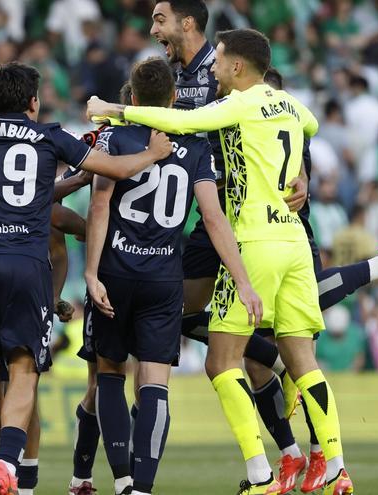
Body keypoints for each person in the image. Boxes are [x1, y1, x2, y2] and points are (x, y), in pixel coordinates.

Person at [88, 29, 354, 495]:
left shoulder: (242, 102)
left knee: (220, 361)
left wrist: (115, 110)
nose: (210, 68)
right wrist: (300, 173)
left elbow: (184, 125)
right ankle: (336, 468)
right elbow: (309, 127)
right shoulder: (289, 104)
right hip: (294, 239)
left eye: (220, 60)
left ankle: (260, 474)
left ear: (237, 67)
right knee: (304, 361)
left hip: (255, 240)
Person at [0, 61, 173, 495]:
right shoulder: (48, 136)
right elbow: (111, 169)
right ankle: (6, 465)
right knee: (23, 371)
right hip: (26, 264)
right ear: (33, 102)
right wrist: (153, 155)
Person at [85, 57, 260, 495]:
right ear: (176, 98)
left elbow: (100, 205)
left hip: (116, 272)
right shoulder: (196, 148)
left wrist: (90, 273)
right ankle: (143, 488)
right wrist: (241, 279)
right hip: (165, 278)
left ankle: (123, 479)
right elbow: (215, 220)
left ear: (134, 97)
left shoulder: (114, 136)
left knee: (109, 371)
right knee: (155, 382)